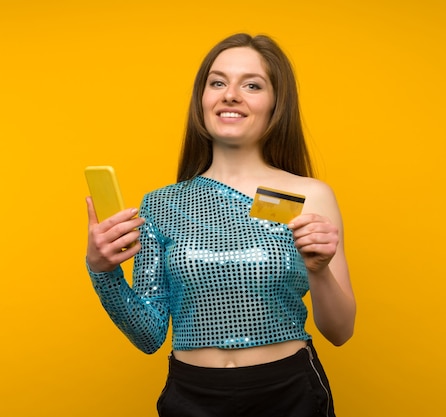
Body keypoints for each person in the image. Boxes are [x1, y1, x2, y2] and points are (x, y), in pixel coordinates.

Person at [85, 33, 356, 417]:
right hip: (192, 397)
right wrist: (103, 271)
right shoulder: (161, 204)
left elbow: (341, 331)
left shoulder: (309, 195)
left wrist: (320, 270)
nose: (231, 94)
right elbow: (148, 335)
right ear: (202, 99)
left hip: (289, 393)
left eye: (252, 85)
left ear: (277, 102)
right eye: (217, 82)